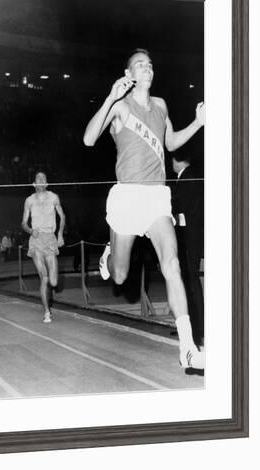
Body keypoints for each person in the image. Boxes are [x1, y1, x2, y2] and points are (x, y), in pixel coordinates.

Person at [83, 48, 205, 369]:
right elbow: (88, 139)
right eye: (140, 65)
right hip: (127, 197)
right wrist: (109, 98)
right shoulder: (120, 107)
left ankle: (188, 348)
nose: (147, 69)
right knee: (120, 276)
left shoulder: (161, 106)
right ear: (129, 74)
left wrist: (198, 122)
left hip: (156, 197)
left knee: (172, 264)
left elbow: (171, 143)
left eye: (150, 64)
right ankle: (111, 251)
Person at [21, 172, 66, 323]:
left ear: (46, 184)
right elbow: (23, 223)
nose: (41, 180)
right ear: (34, 184)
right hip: (36, 240)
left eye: (44, 178)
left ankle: (49, 300)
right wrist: (30, 230)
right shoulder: (29, 200)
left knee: (53, 282)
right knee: (44, 278)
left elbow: (63, 216)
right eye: (38, 178)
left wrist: (60, 235)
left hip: (50, 239)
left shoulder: (54, 197)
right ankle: (47, 312)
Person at [171, 151, 205, 347]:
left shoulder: (188, 177)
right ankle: (192, 327)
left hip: (189, 238)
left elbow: (189, 212)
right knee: (187, 281)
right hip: (187, 236)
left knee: (190, 282)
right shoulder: (184, 177)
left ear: (180, 160)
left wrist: (170, 220)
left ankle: (197, 328)